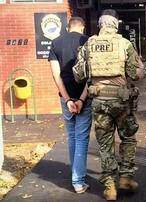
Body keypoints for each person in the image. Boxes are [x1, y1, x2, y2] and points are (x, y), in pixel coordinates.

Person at [73, 9, 144, 201]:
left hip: (99, 102)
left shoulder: (89, 44)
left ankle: (110, 187)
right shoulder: (125, 44)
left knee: (106, 145)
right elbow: (134, 74)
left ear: (100, 24)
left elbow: (78, 75)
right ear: (116, 24)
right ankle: (126, 178)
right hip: (122, 102)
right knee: (127, 138)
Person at [48, 17, 92, 194]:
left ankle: (77, 173)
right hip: (84, 98)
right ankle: (78, 181)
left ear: (68, 27)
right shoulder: (88, 41)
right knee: (81, 138)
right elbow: (92, 75)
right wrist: (81, 99)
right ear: (83, 27)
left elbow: (56, 75)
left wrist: (67, 99)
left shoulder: (56, 43)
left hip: (65, 97)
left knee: (72, 136)